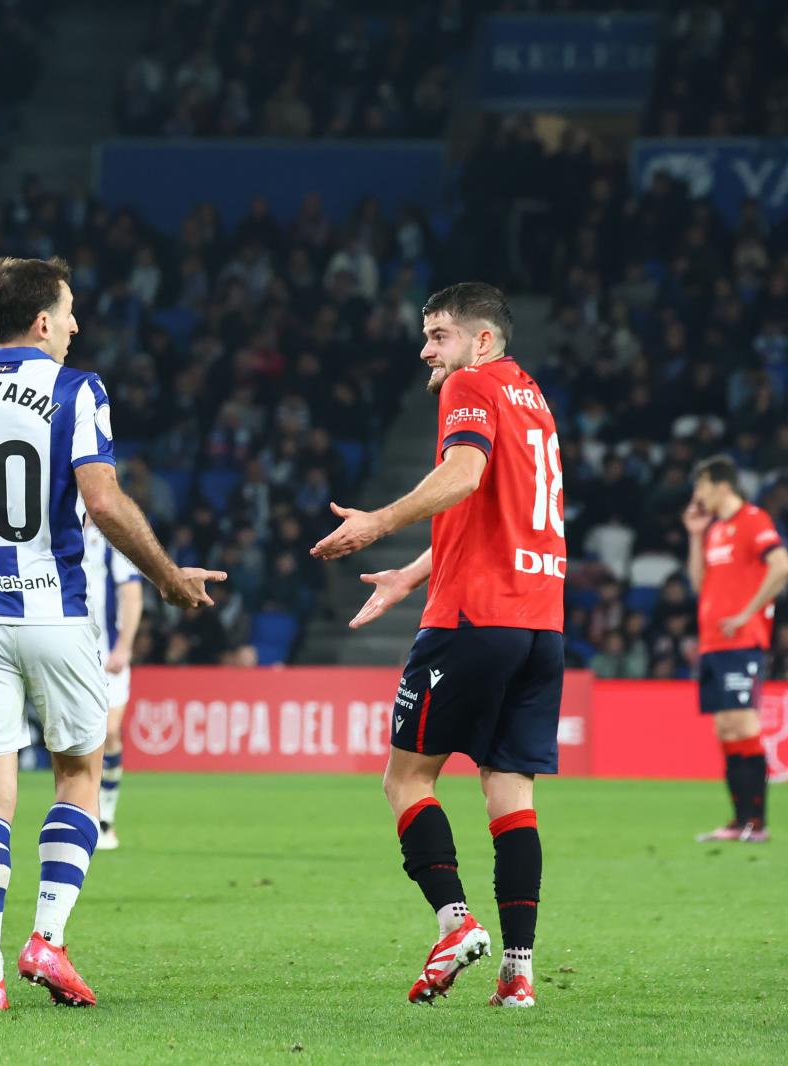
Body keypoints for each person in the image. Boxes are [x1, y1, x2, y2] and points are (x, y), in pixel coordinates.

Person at [0, 256, 223, 1011]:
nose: (74, 325)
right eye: (68, 312)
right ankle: (46, 939)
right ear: (42, 320)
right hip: (53, 612)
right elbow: (101, 502)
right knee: (78, 773)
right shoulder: (76, 389)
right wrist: (167, 576)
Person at [311, 282, 565, 1009]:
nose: (427, 349)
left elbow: (464, 475)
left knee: (406, 779)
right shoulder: (531, 399)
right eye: (425, 335)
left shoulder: (470, 384)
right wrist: (413, 572)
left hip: (473, 623)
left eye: (440, 334)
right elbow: (498, 511)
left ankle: (455, 924)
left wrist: (376, 524)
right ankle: (518, 975)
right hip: (539, 626)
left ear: (482, 341)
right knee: (510, 793)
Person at [682, 455, 788, 843]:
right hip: (713, 643)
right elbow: (699, 584)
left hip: (742, 641)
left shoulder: (753, 520)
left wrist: (748, 613)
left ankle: (757, 824)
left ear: (722, 486)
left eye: (701, 486)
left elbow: (782, 566)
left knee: (744, 724)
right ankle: (738, 821)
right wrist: (695, 534)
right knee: (725, 728)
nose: (698, 495)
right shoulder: (714, 530)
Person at [83, 519, 144, 850]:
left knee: (110, 733)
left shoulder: (113, 540)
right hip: (67, 651)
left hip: (108, 654)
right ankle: (83, 814)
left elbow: (132, 595)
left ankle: (105, 817)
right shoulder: (53, 527)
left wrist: (124, 645)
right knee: (78, 738)